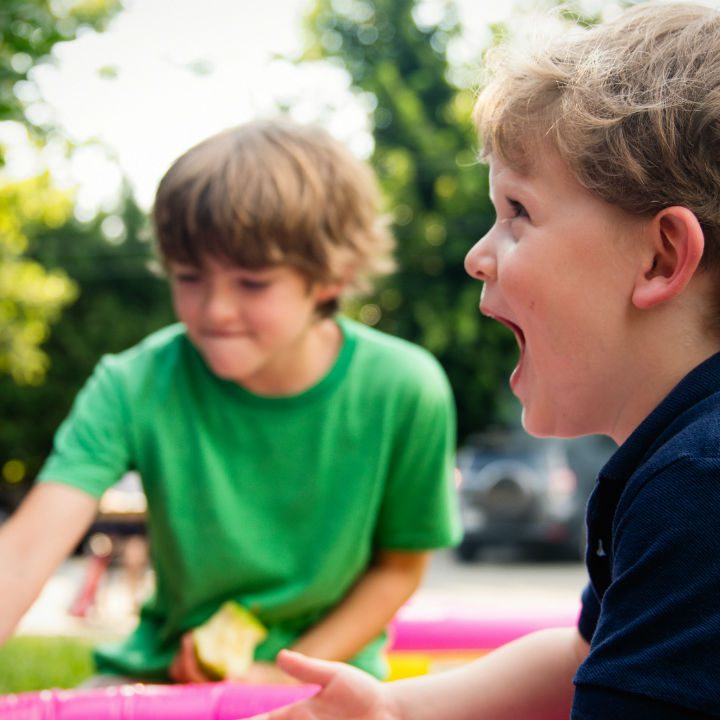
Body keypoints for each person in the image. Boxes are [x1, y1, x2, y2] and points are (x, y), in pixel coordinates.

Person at [247, 3, 720, 718]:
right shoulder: (676, 465)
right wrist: (394, 711)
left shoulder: (698, 488)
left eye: (518, 212)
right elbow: (584, 659)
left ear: (660, 258)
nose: (476, 255)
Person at [0, 118, 461, 685]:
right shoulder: (133, 383)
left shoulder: (406, 388)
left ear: (330, 277)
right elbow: (23, 552)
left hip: (328, 678)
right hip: (163, 675)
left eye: (252, 282)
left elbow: (398, 568)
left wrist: (280, 673)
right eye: (190, 276)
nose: (214, 310)